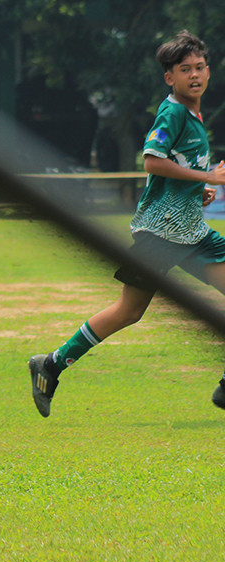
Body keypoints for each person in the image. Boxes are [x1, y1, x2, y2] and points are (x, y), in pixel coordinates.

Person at [29, 30, 225, 417]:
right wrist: (208, 178)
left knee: (130, 311)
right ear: (169, 77)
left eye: (200, 67)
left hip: (191, 232)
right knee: (128, 312)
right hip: (162, 233)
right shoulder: (172, 113)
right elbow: (152, 160)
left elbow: (176, 168)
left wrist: (197, 190)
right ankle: (50, 365)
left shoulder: (194, 115)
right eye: (184, 69)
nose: (194, 75)